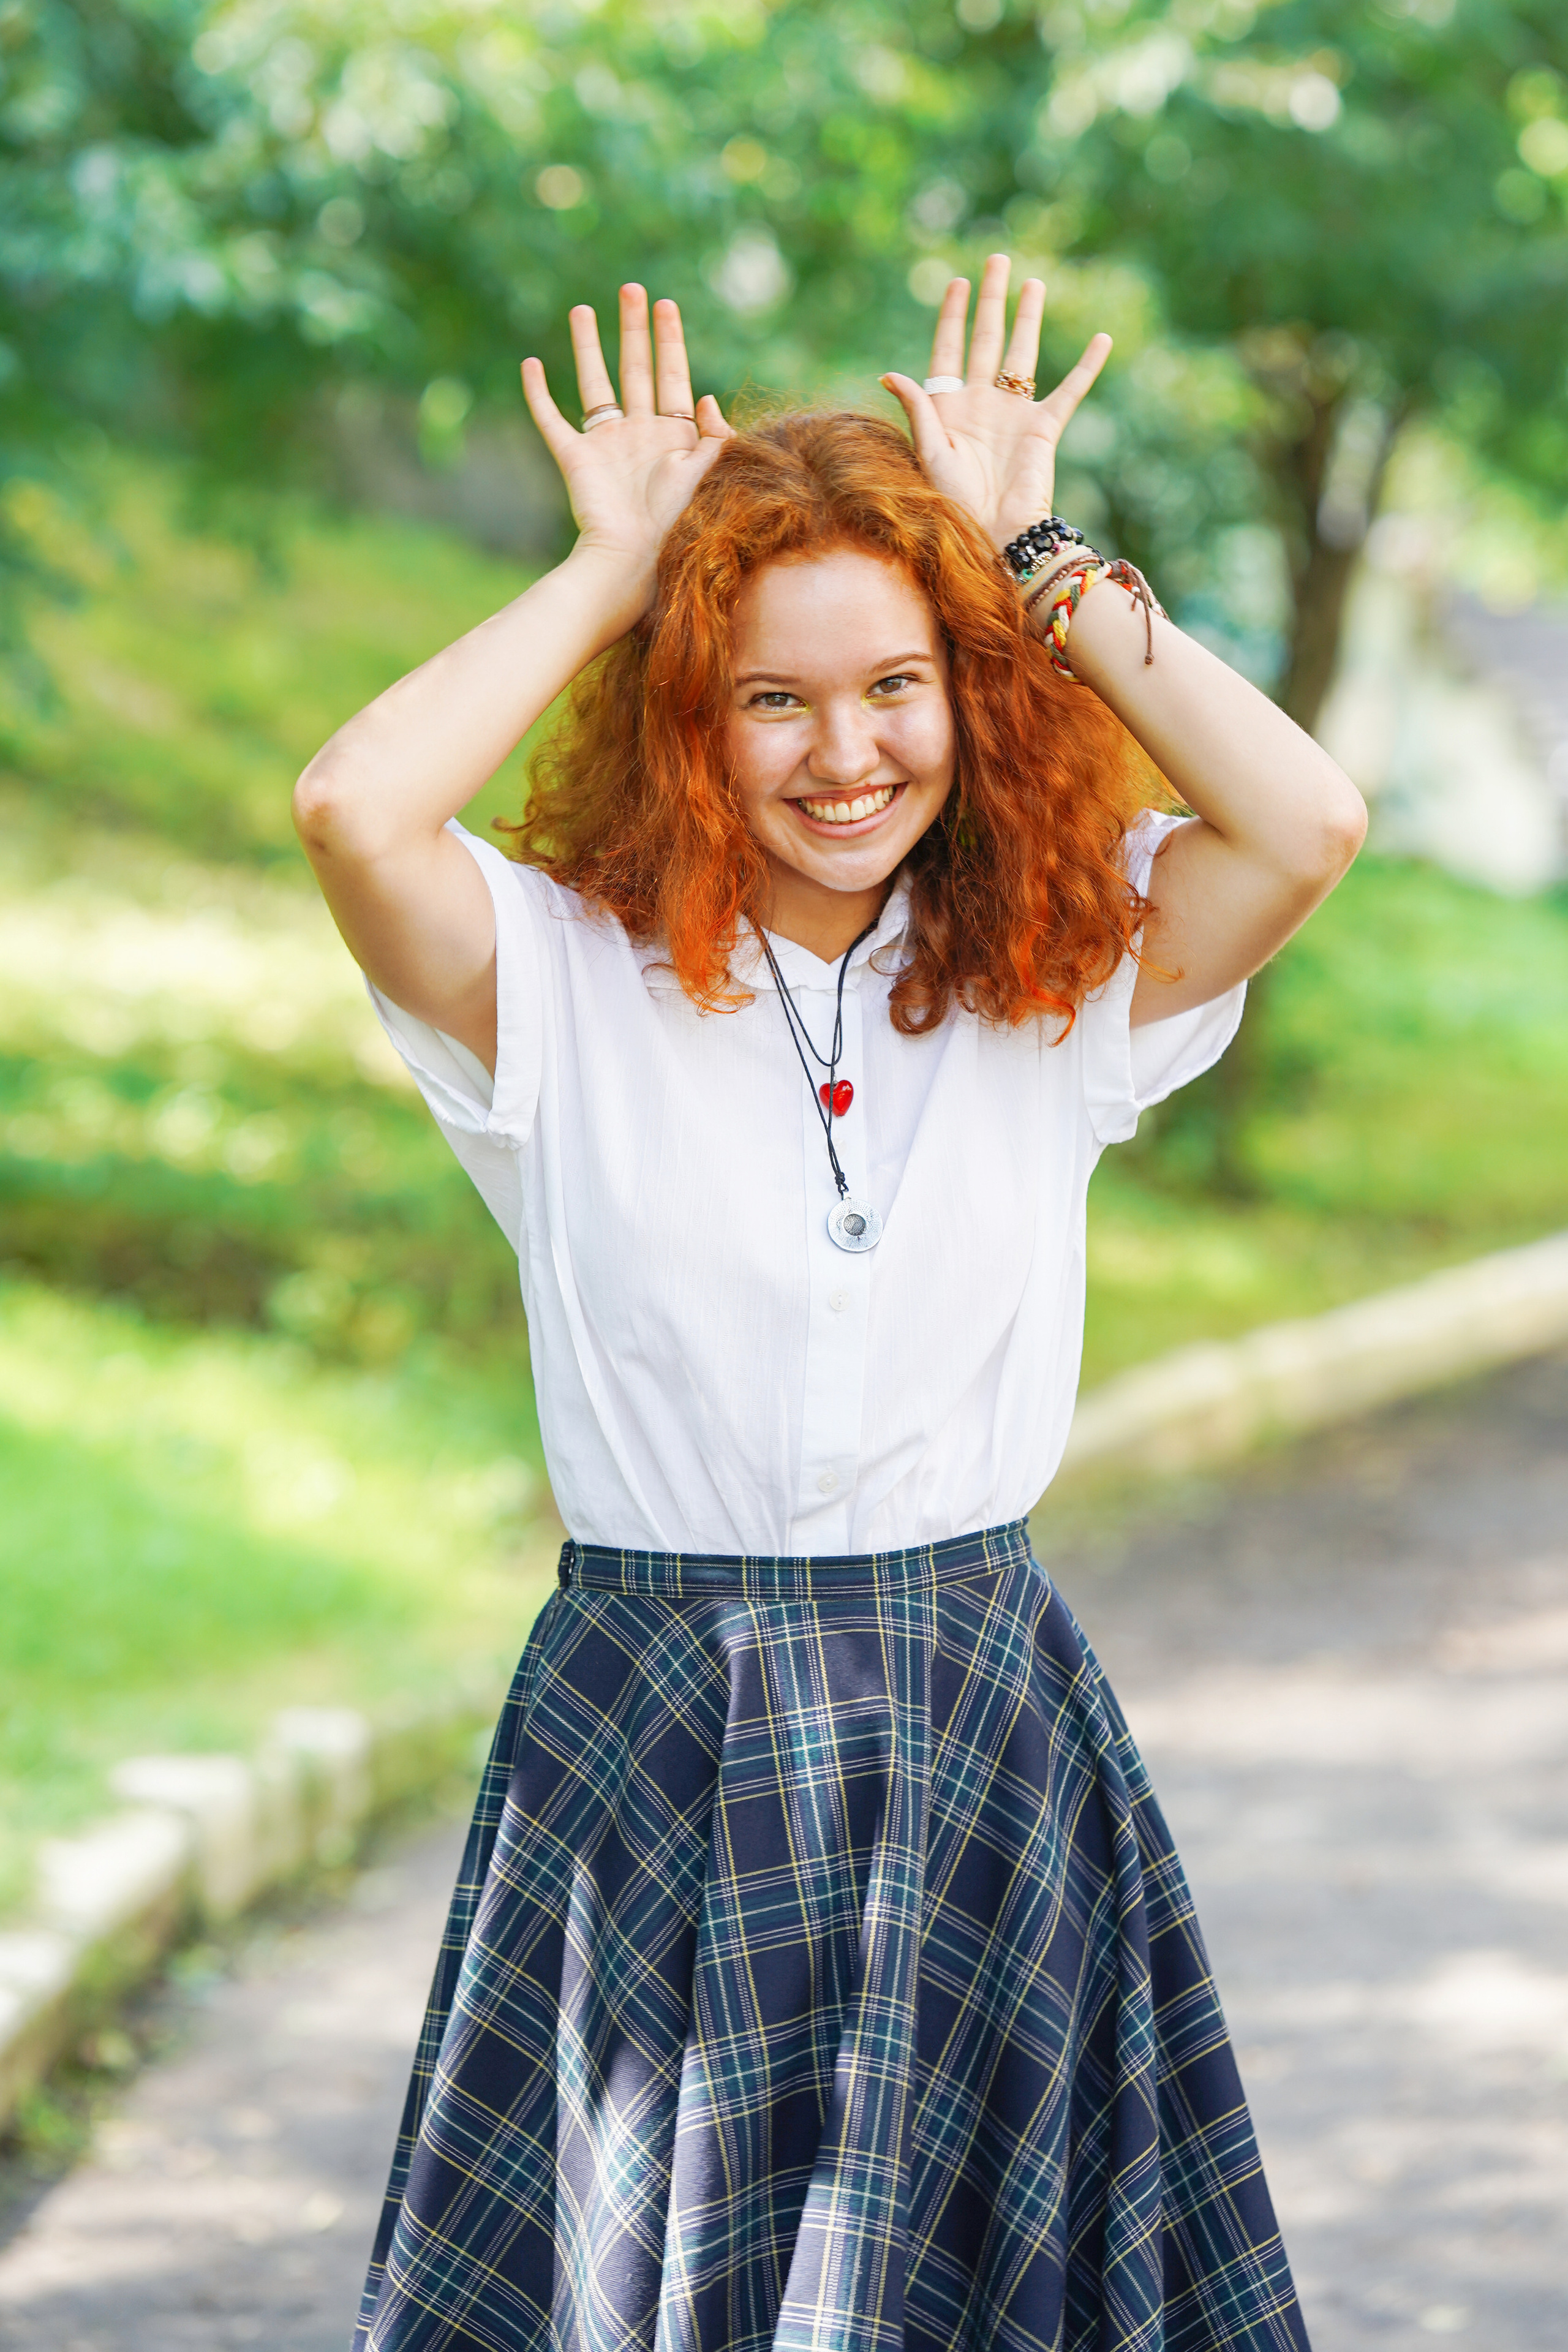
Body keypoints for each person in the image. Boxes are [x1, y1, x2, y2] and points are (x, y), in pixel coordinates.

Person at [295, 254, 1364, 2352]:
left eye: (897, 684)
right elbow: (350, 806)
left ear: (968, 693)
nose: (845, 753)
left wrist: (1033, 555)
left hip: (973, 1717)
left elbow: (1307, 817)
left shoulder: (1059, 972)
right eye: (771, 695)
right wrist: (619, 571)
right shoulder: (558, 984)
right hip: (650, 1716)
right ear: (692, 719)